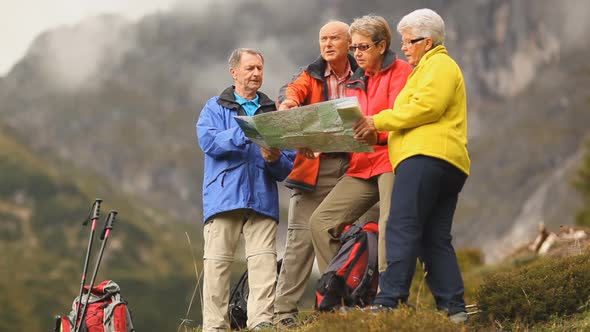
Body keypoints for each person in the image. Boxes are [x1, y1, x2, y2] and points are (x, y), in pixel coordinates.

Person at [352, 9, 471, 323]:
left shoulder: (441, 65)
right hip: (445, 162)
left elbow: (426, 107)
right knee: (434, 238)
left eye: (409, 41)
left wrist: (376, 120)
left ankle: (389, 301)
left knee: (401, 227)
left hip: (425, 157)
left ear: (427, 41)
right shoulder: (423, 70)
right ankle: (454, 309)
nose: (403, 48)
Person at [196, 48, 294, 332]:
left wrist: (275, 159)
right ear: (234, 72)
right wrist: (249, 130)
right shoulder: (215, 107)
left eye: (259, 69)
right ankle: (215, 326)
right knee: (217, 265)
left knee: (263, 265)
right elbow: (209, 142)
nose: (255, 74)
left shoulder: (273, 113)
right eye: (250, 68)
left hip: (263, 198)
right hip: (223, 197)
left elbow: (288, 166)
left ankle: (261, 323)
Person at [273, 20, 361, 329]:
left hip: (356, 168)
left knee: (345, 238)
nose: (327, 44)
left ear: (349, 42)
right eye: (323, 38)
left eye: (334, 38)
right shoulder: (309, 74)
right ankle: (283, 314)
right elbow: (291, 92)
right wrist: (288, 105)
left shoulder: (363, 73)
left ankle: (337, 308)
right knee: (299, 242)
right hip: (314, 170)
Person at [309, 15, 412, 276]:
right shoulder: (356, 80)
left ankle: (388, 297)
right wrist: (320, 142)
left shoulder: (402, 72)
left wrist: (376, 136)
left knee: (389, 222)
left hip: (391, 159)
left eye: (363, 47)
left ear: (382, 45)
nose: (357, 53)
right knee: (320, 223)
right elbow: (351, 128)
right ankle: (339, 291)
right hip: (361, 163)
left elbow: (404, 119)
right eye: (354, 48)